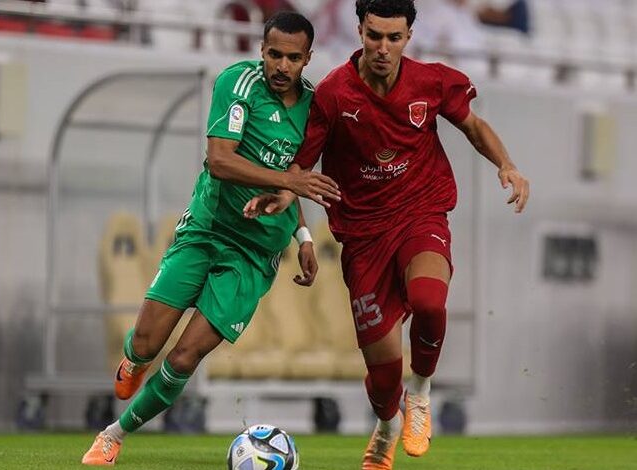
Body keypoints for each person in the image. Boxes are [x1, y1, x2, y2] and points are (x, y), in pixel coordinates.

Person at [244, 1, 530, 468]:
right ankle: (387, 424)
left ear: (409, 37)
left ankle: (419, 394)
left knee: (430, 302)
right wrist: (280, 196)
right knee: (381, 374)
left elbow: (473, 125)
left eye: (393, 38)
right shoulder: (335, 93)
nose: (382, 48)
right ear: (359, 30)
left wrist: (507, 165)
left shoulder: (432, 81)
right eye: (373, 35)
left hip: (421, 213)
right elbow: (302, 164)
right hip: (363, 235)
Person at [80, 10, 341, 466]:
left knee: (185, 357)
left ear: (307, 59)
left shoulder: (314, 108)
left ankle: (113, 436)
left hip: (255, 253)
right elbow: (220, 160)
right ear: (261, 51)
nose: (282, 66)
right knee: (146, 341)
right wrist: (289, 181)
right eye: (274, 54)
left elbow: (291, 179)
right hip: (207, 228)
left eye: (292, 58)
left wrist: (302, 234)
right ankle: (135, 361)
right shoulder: (237, 85)